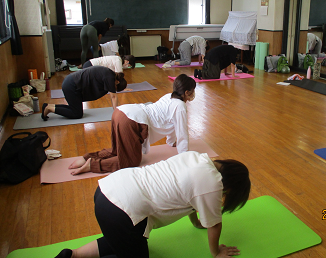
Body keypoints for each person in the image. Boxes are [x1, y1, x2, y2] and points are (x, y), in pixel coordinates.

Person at [54, 151, 251, 258]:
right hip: (123, 212)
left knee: (121, 241)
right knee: (127, 241)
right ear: (231, 187)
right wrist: (217, 253)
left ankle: (72, 255)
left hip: (106, 191)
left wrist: (196, 222)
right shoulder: (213, 184)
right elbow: (215, 224)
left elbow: (190, 196)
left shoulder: (197, 157)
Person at [68, 74, 196, 175]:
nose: (193, 94)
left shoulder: (169, 97)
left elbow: (172, 123)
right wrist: (184, 157)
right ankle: (92, 165)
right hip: (132, 120)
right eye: (192, 91)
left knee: (118, 150)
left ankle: (86, 158)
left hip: (121, 112)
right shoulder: (180, 106)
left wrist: (171, 142)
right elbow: (182, 131)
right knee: (131, 160)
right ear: (186, 92)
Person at [41, 66, 127, 120]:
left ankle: (49, 106)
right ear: (117, 82)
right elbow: (113, 97)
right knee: (77, 114)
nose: (113, 88)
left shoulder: (108, 73)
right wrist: (116, 112)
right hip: (71, 85)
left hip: (71, 82)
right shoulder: (109, 77)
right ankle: (49, 109)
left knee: (74, 108)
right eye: (115, 88)